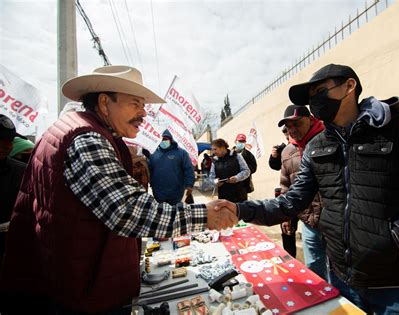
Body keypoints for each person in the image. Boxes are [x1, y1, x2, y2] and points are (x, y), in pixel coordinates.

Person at [215, 64, 399, 314]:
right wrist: (237, 209)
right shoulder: (316, 147)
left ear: (349, 86)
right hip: (342, 283)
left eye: (321, 91)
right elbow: (290, 201)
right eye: (311, 97)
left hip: (397, 288)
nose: (315, 101)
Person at [0, 65, 237, 315]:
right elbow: (128, 211)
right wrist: (205, 216)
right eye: (135, 104)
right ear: (104, 103)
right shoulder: (86, 139)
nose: (143, 114)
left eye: (143, 105)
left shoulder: (78, 130)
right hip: (83, 291)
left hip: (78, 278)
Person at [277, 105, 326, 281]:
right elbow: (286, 187)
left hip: (335, 222)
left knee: (339, 275)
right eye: (289, 126)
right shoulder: (287, 152)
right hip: (308, 223)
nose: (292, 130)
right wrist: (287, 217)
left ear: (311, 120)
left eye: (297, 123)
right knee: (314, 270)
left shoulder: (328, 139)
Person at [0, 115, 27, 269]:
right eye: (1, 140)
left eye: (10, 140)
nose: (8, 145)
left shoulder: (22, 171)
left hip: (12, 250)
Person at [149, 129, 195, 205]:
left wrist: (189, 185)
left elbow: (188, 169)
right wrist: (151, 183)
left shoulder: (181, 153)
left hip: (176, 192)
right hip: (159, 193)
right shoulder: (153, 154)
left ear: (171, 140)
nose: (163, 141)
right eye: (161, 139)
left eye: (165, 139)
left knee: (176, 213)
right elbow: (150, 170)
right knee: (162, 214)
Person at [209, 138, 250, 202]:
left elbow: (246, 171)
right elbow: (211, 177)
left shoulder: (236, 156)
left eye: (215, 149)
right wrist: (215, 182)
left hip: (239, 195)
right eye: (212, 149)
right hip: (223, 197)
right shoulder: (214, 161)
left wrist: (237, 178)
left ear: (222, 147)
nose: (213, 152)